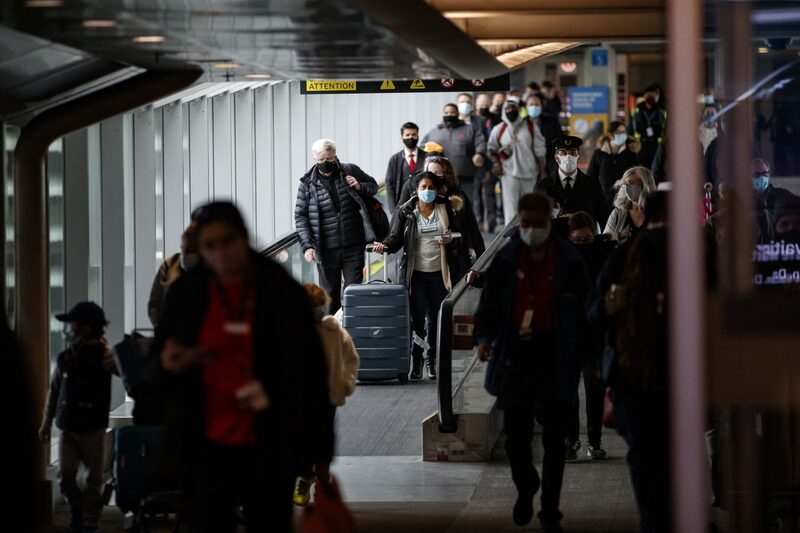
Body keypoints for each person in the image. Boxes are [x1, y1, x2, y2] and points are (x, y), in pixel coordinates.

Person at [153, 201, 333, 532]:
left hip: (268, 439)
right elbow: (160, 362)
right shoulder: (187, 294)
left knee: (267, 520)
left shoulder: (279, 291)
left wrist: (319, 450)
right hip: (204, 441)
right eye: (209, 245)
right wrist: (170, 365)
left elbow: (308, 371)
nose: (220, 253)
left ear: (244, 238)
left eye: (227, 241)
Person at [475, 192, 590, 532]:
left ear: (549, 222)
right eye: (525, 224)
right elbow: (489, 305)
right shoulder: (507, 258)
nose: (531, 230)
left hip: (556, 355)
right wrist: (484, 338)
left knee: (555, 440)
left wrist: (591, 358)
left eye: (537, 224)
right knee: (516, 439)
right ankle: (526, 486)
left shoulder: (568, 261)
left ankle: (550, 512)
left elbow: (587, 312)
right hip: (516, 355)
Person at [587, 192, 672, 533]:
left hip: (631, 377)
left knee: (644, 458)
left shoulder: (624, 257)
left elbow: (594, 312)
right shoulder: (698, 253)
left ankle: (654, 523)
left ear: (641, 215)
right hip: (679, 377)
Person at [373, 172, 465, 380]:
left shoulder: (444, 207)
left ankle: (432, 360)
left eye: (431, 187)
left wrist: (451, 240)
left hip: (439, 272)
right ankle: (417, 360)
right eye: (423, 187)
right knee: (416, 318)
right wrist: (384, 246)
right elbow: (395, 239)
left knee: (435, 317)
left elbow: (459, 236)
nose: (427, 191)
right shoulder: (406, 210)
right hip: (415, 273)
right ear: (415, 190)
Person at [39, 301, 118, 533]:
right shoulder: (65, 358)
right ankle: (76, 508)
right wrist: (46, 421)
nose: (67, 329)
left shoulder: (105, 356)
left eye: (71, 324)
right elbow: (53, 392)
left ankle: (90, 521)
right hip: (67, 426)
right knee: (65, 475)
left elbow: (125, 371)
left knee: (93, 480)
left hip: (93, 428)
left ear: (85, 327)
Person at [295, 138, 379, 313]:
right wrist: (307, 246)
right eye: (322, 160)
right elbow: (301, 216)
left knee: (353, 294)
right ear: (314, 159)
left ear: (335, 156)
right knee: (329, 299)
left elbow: (373, 187)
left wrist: (359, 186)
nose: (326, 164)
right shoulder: (307, 184)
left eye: (330, 160)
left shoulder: (350, 170)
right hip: (325, 250)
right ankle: (333, 336)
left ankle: (351, 336)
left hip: (353, 245)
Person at [293, 284, 359, 506]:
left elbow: (351, 359)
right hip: (298, 397)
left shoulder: (334, 332)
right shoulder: (289, 331)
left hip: (326, 396)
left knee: (321, 443)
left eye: (317, 305)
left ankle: (321, 484)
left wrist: (345, 383)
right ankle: (306, 477)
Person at [564, 212, 614, 462]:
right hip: (570, 331)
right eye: (578, 240)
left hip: (594, 330)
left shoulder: (603, 255)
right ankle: (571, 439)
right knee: (569, 389)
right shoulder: (564, 258)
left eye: (588, 239)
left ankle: (594, 441)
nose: (584, 244)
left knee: (595, 390)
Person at [398, 155, 485, 271]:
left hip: (454, 259)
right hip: (421, 262)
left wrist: (482, 262)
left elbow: (472, 228)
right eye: (429, 172)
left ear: (446, 174)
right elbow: (398, 222)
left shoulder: (458, 197)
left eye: (437, 172)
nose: (432, 176)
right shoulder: (414, 198)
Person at [487, 98, 547, 225]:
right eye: (507, 109)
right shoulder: (499, 129)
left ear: (519, 110)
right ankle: (512, 238)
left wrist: (542, 171)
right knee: (511, 209)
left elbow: (540, 151)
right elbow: (491, 148)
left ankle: (529, 234)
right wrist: (496, 163)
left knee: (529, 206)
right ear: (503, 111)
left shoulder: (531, 127)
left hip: (530, 172)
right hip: (508, 173)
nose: (511, 111)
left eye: (513, 108)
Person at [422, 103, 487, 216]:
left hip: (465, 176)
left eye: (452, 112)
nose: (449, 115)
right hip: (441, 178)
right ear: (442, 114)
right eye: (446, 113)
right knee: (443, 205)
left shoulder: (470, 129)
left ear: (458, 114)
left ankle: (470, 228)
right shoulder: (434, 132)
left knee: (467, 204)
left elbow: (481, 142)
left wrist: (479, 154)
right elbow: (422, 147)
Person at [536, 136, 610, 229]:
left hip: (584, 239)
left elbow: (605, 219)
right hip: (555, 240)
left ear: (578, 156)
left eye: (573, 153)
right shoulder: (543, 186)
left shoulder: (593, 185)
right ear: (556, 158)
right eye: (563, 153)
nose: (568, 157)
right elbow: (536, 219)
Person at [148, 227, 199, 326]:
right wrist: (160, 327)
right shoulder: (169, 265)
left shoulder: (212, 270)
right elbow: (155, 303)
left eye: (193, 250)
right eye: (184, 249)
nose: (187, 255)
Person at [587, 121, 640, 206]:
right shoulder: (599, 153)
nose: (623, 135)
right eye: (619, 132)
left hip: (625, 199)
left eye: (624, 132)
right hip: (604, 200)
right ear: (610, 134)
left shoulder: (630, 153)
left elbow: (637, 175)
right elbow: (590, 177)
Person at [604, 166, 657, 244]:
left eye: (631, 183)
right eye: (625, 184)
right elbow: (605, 242)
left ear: (645, 184)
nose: (627, 187)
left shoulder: (658, 212)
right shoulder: (617, 214)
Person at [385, 122, 428, 213]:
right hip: (401, 209)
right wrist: (393, 210)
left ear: (418, 136)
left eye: (414, 134)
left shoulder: (427, 158)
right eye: (407, 135)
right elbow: (389, 186)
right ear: (402, 137)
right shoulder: (394, 160)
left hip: (425, 206)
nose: (411, 137)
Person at [476, 92, 502, 231]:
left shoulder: (497, 119)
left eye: (486, 104)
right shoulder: (473, 120)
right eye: (481, 105)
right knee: (476, 193)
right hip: (477, 162)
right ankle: (478, 221)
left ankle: (491, 222)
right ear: (476, 106)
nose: (484, 107)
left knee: (490, 192)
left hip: (493, 160)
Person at [627, 85, 668, 169]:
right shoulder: (636, 112)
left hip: (656, 146)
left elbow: (666, 130)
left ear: (656, 97)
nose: (650, 98)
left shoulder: (661, 113)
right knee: (640, 170)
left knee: (655, 169)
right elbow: (629, 131)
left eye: (652, 96)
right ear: (644, 96)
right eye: (648, 95)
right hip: (640, 147)